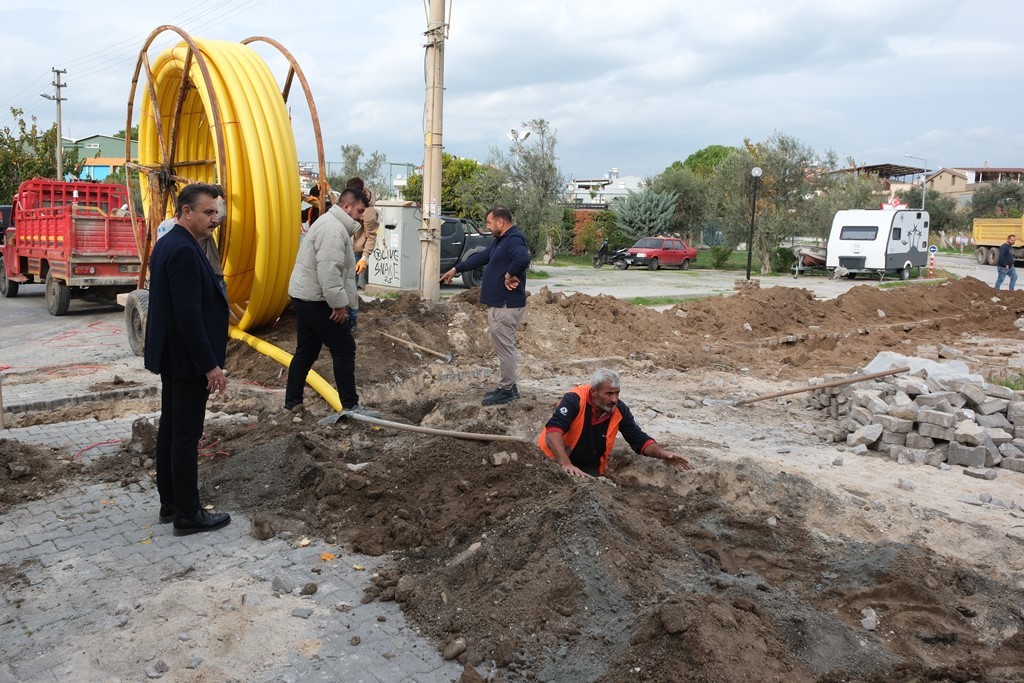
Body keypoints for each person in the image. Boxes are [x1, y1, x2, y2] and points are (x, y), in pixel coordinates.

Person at [144, 183, 231, 536]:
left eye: (216, 212)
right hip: (187, 360)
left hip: (174, 357)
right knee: (185, 433)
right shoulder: (181, 250)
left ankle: (170, 502)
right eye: (208, 212)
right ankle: (188, 513)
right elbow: (188, 315)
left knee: (171, 428)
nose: (215, 219)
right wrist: (209, 365)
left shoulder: (169, 243)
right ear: (186, 212)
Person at [285, 187, 380, 417]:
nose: (360, 217)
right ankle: (350, 405)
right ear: (346, 207)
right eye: (359, 211)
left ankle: (292, 403)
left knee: (306, 351)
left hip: (306, 295)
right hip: (317, 298)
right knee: (344, 347)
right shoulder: (333, 230)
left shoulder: (331, 223)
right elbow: (329, 271)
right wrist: (338, 304)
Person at [439, 206, 530, 406]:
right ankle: (510, 386)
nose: (487, 227)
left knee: (505, 349)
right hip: (500, 304)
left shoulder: (513, 239)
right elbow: (482, 257)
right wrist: (456, 269)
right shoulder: (501, 241)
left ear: (500, 221)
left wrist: (510, 274)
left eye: (489, 223)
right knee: (504, 348)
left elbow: (523, 258)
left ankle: (506, 389)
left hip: (505, 305)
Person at [538, 368, 691, 478]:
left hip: (588, 467)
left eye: (617, 393)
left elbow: (638, 439)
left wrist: (662, 453)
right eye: (609, 393)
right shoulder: (574, 399)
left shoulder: (619, 410)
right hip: (553, 460)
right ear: (593, 392)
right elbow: (553, 432)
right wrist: (565, 463)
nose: (614, 399)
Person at [346, 177, 379, 292]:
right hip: (344, 248)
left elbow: (371, 237)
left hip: (355, 251)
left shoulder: (368, 211)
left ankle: (351, 310)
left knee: (350, 287)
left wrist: (364, 257)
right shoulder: (348, 203)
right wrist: (329, 191)